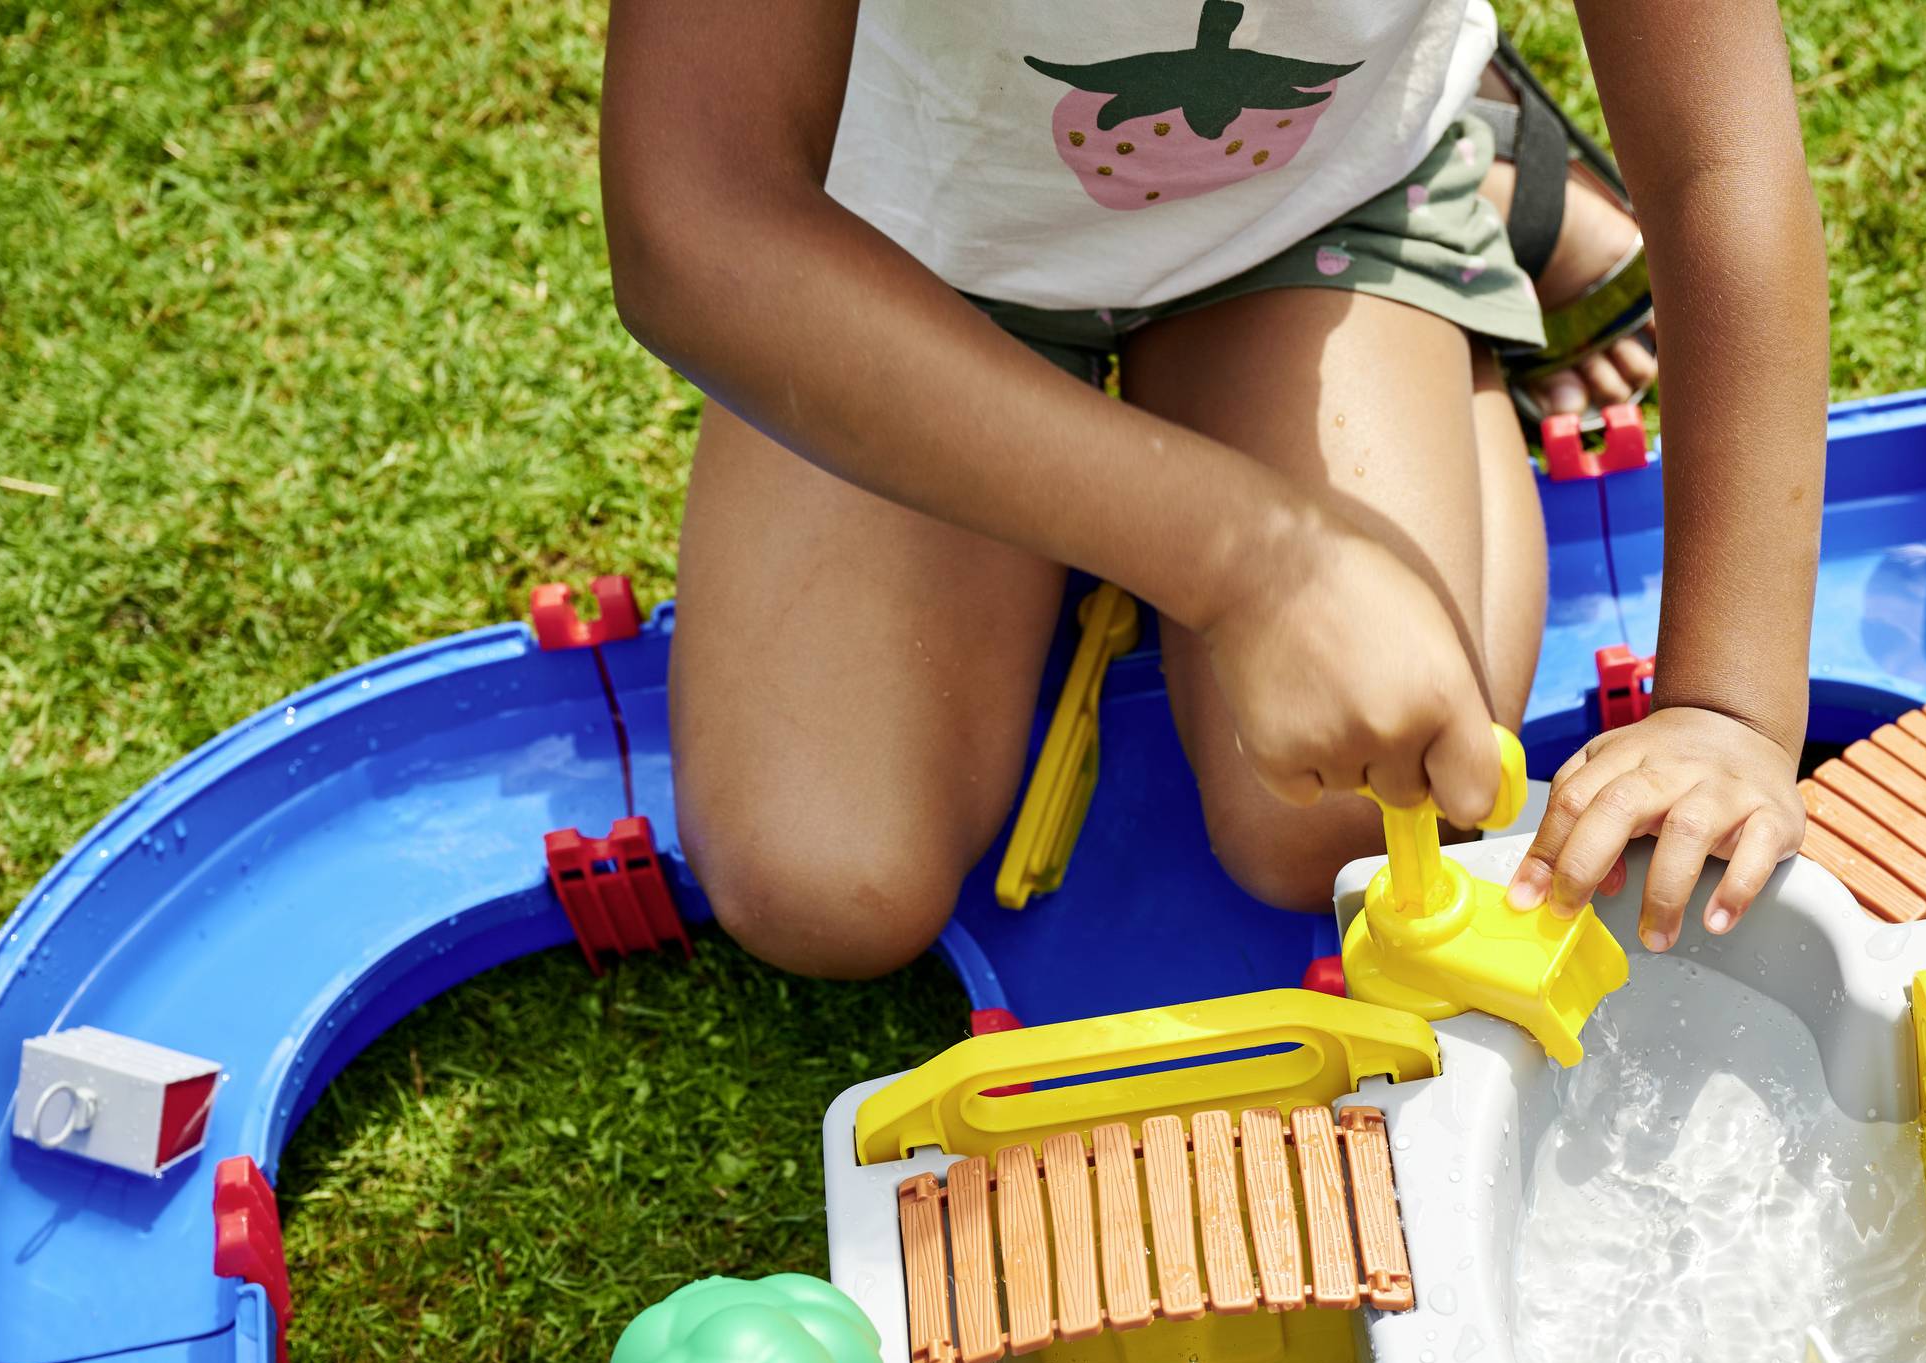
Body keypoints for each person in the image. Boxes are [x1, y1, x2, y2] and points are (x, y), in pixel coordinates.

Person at [601, 0, 1827, 978]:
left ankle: (1474, 157)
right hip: (901, 244)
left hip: (1319, 194)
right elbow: (698, 219)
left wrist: (1725, 708)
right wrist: (1255, 562)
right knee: (825, 878)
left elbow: (1720, 160)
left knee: (1338, 815)